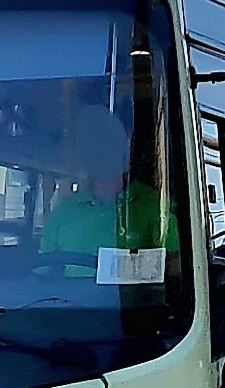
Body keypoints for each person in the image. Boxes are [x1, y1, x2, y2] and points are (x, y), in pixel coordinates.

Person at [39, 105, 178, 274]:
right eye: (90, 142)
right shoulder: (62, 213)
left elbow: (178, 268)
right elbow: (43, 277)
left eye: (106, 140)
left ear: (125, 145)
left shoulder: (156, 207)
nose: (99, 149)